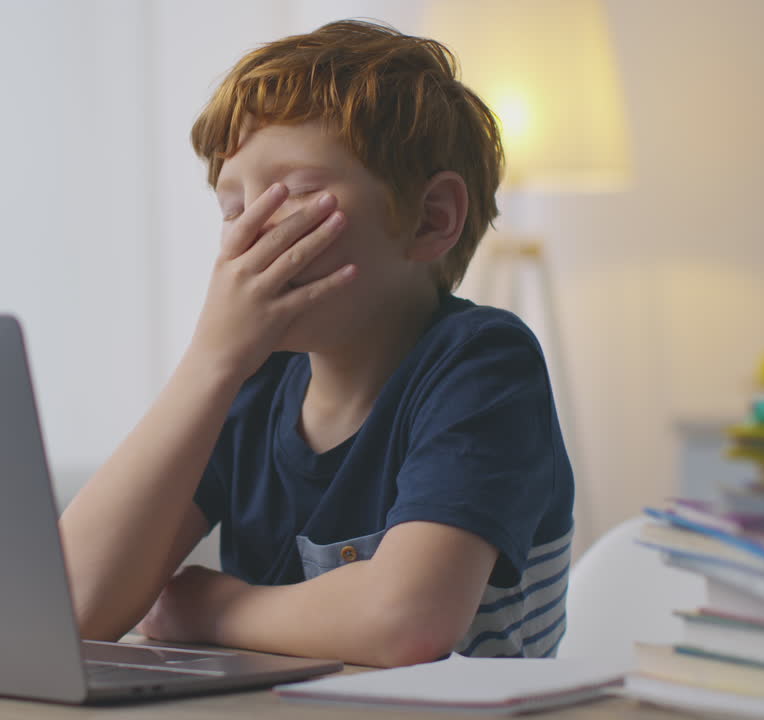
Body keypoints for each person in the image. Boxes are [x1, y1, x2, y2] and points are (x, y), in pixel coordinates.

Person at [59, 19, 573, 668]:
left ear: (431, 218)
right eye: (231, 208)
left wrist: (213, 609)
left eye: (294, 194)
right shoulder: (248, 383)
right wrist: (211, 362)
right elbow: (71, 606)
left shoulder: (483, 365)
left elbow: (407, 620)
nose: (248, 234)